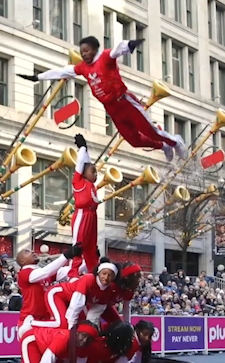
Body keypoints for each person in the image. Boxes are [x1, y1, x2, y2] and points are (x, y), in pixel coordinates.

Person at [19, 36, 187, 162]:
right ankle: (163, 145)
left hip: (125, 102)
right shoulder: (83, 68)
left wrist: (130, 45)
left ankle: (175, 141)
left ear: (95, 49)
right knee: (133, 140)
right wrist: (37, 77)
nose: (83, 54)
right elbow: (62, 71)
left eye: (87, 50)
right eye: (81, 51)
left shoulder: (105, 58)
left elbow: (117, 49)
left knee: (150, 131)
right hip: (112, 110)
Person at [14, 244, 83, 363]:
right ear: (22, 261)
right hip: (29, 323)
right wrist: (66, 254)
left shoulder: (41, 272)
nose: (33, 251)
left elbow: (64, 272)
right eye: (27, 252)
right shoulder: (25, 273)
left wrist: (82, 260)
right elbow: (46, 272)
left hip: (45, 325)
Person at [68, 134, 100, 274]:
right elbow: (81, 164)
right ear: (83, 173)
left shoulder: (92, 186)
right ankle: (73, 272)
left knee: (91, 248)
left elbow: (87, 163)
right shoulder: (78, 182)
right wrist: (82, 148)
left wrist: (86, 152)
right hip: (82, 216)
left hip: (92, 217)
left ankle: (94, 271)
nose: (96, 174)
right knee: (78, 245)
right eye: (93, 172)